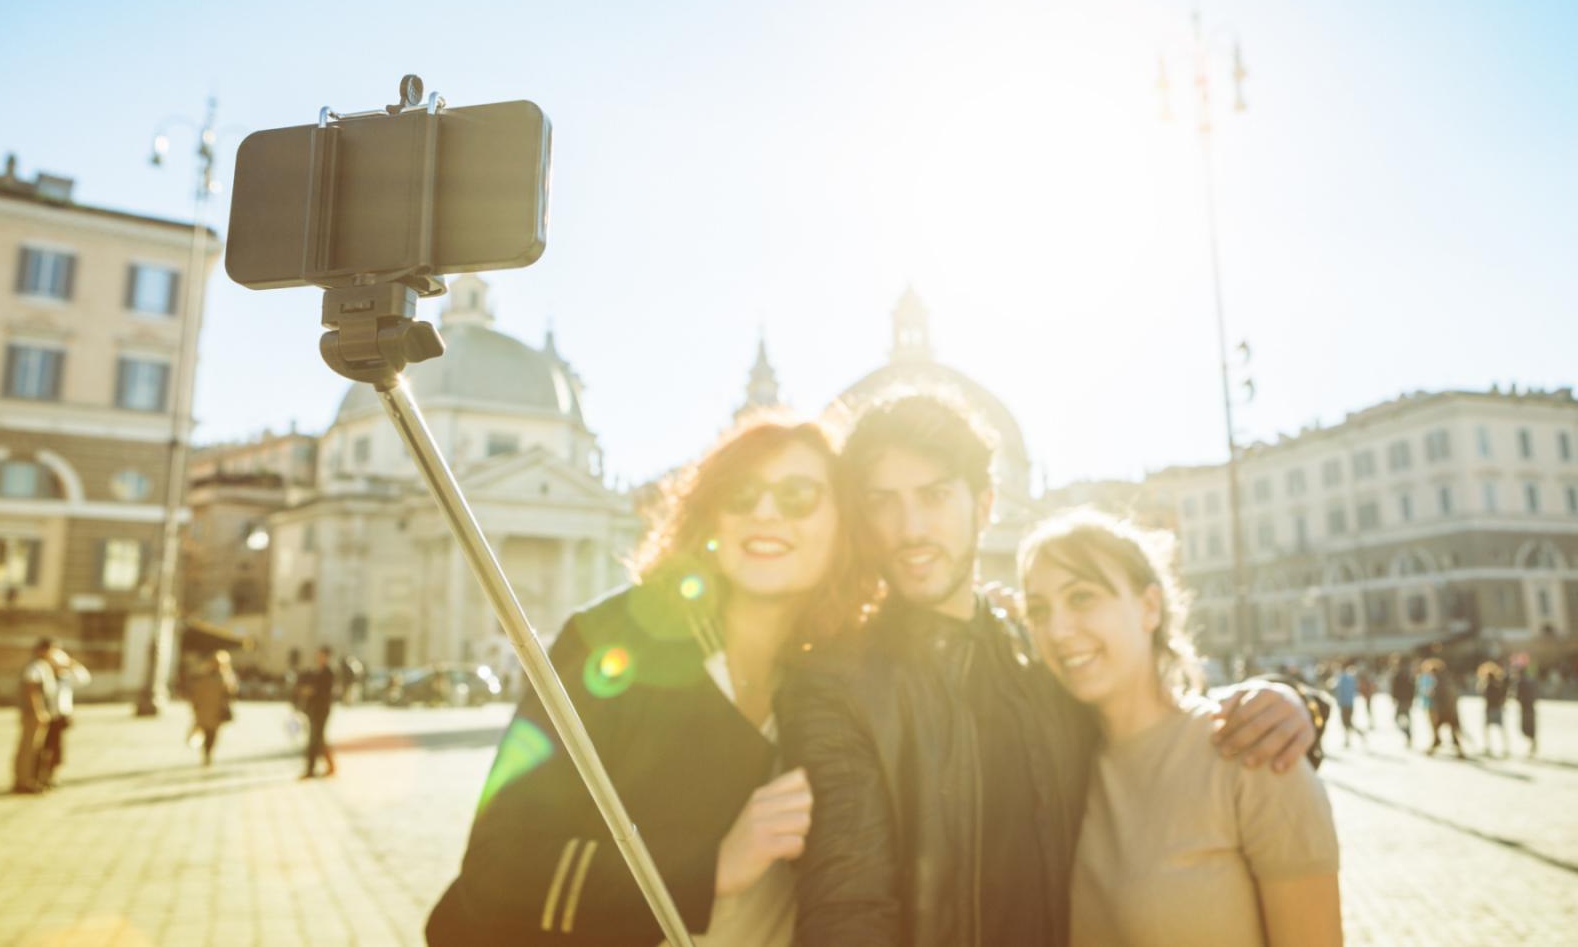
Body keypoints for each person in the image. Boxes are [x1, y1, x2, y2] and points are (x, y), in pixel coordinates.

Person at [776, 393, 1326, 947]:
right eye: (882, 502)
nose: (910, 528)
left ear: (985, 506)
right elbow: (847, 904)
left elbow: (1156, 724)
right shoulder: (833, 685)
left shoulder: (1041, 664)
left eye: (935, 495)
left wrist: (1287, 702)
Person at [427, 416, 875, 946]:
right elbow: (498, 865)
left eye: (798, 494)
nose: (766, 512)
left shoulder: (851, 670)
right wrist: (709, 869)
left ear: (844, 522)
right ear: (711, 519)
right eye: (741, 493)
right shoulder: (611, 640)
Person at [1022, 509, 1340, 947]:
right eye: (1038, 610)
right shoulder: (1060, 771)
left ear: (1149, 607)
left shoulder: (1254, 750)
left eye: (1082, 597)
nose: (1056, 630)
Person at [36, 647, 91, 788]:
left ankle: (51, 776)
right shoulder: (46, 676)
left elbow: (84, 679)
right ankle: (40, 776)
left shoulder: (66, 677)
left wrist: (72, 664)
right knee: (44, 748)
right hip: (49, 717)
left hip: (62, 717)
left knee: (57, 748)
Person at [13, 637, 58, 794]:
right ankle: (23, 781)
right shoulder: (34, 667)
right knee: (29, 747)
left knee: (35, 748)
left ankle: (30, 779)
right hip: (33, 713)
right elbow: (33, 691)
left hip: (39, 712)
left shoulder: (43, 666)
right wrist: (39, 712)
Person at [189, 650, 238, 767]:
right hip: (206, 709)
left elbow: (231, 692)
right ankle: (207, 754)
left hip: (216, 710)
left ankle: (207, 754)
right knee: (207, 732)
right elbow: (196, 692)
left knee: (211, 734)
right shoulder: (206, 675)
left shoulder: (226, 676)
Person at [298, 646, 339, 779]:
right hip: (315, 709)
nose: (319, 658)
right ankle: (330, 766)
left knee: (315, 739)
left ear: (327, 657)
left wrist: (311, 691)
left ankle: (312, 769)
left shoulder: (328, 672)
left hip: (322, 710)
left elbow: (323, 691)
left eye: (322, 656)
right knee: (319, 739)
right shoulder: (319, 671)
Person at [1423, 658, 1466, 758]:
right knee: (1451, 732)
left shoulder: (1439, 681)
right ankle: (1459, 752)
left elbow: (1441, 697)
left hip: (1444, 711)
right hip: (1449, 710)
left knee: (1445, 732)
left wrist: (1437, 710)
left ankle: (1459, 752)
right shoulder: (1446, 679)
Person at [1477, 661, 1509, 758]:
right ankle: (1505, 748)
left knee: (1487, 729)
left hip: (1490, 709)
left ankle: (1489, 747)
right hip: (1496, 708)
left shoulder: (1487, 685)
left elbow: (1482, 692)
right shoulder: (1498, 685)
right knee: (1500, 729)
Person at [1333, 662, 1367, 749]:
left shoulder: (1341, 679)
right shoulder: (1351, 679)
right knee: (1348, 723)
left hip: (1344, 704)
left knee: (1346, 723)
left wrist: (1339, 702)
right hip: (1350, 704)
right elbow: (1354, 691)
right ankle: (1349, 739)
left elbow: (1339, 692)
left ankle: (1356, 735)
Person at [1389, 655, 1415, 746]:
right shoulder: (1405, 675)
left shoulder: (1403, 675)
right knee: (1402, 718)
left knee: (1399, 718)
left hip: (1403, 700)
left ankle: (1408, 733)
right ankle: (1408, 733)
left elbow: (1411, 688)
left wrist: (1394, 697)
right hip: (1404, 700)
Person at [1514, 666, 1539, 757]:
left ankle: (1533, 744)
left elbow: (1517, 696)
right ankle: (1533, 744)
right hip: (1531, 707)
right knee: (1530, 727)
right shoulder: (1531, 681)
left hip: (1525, 707)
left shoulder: (1520, 682)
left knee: (1525, 728)